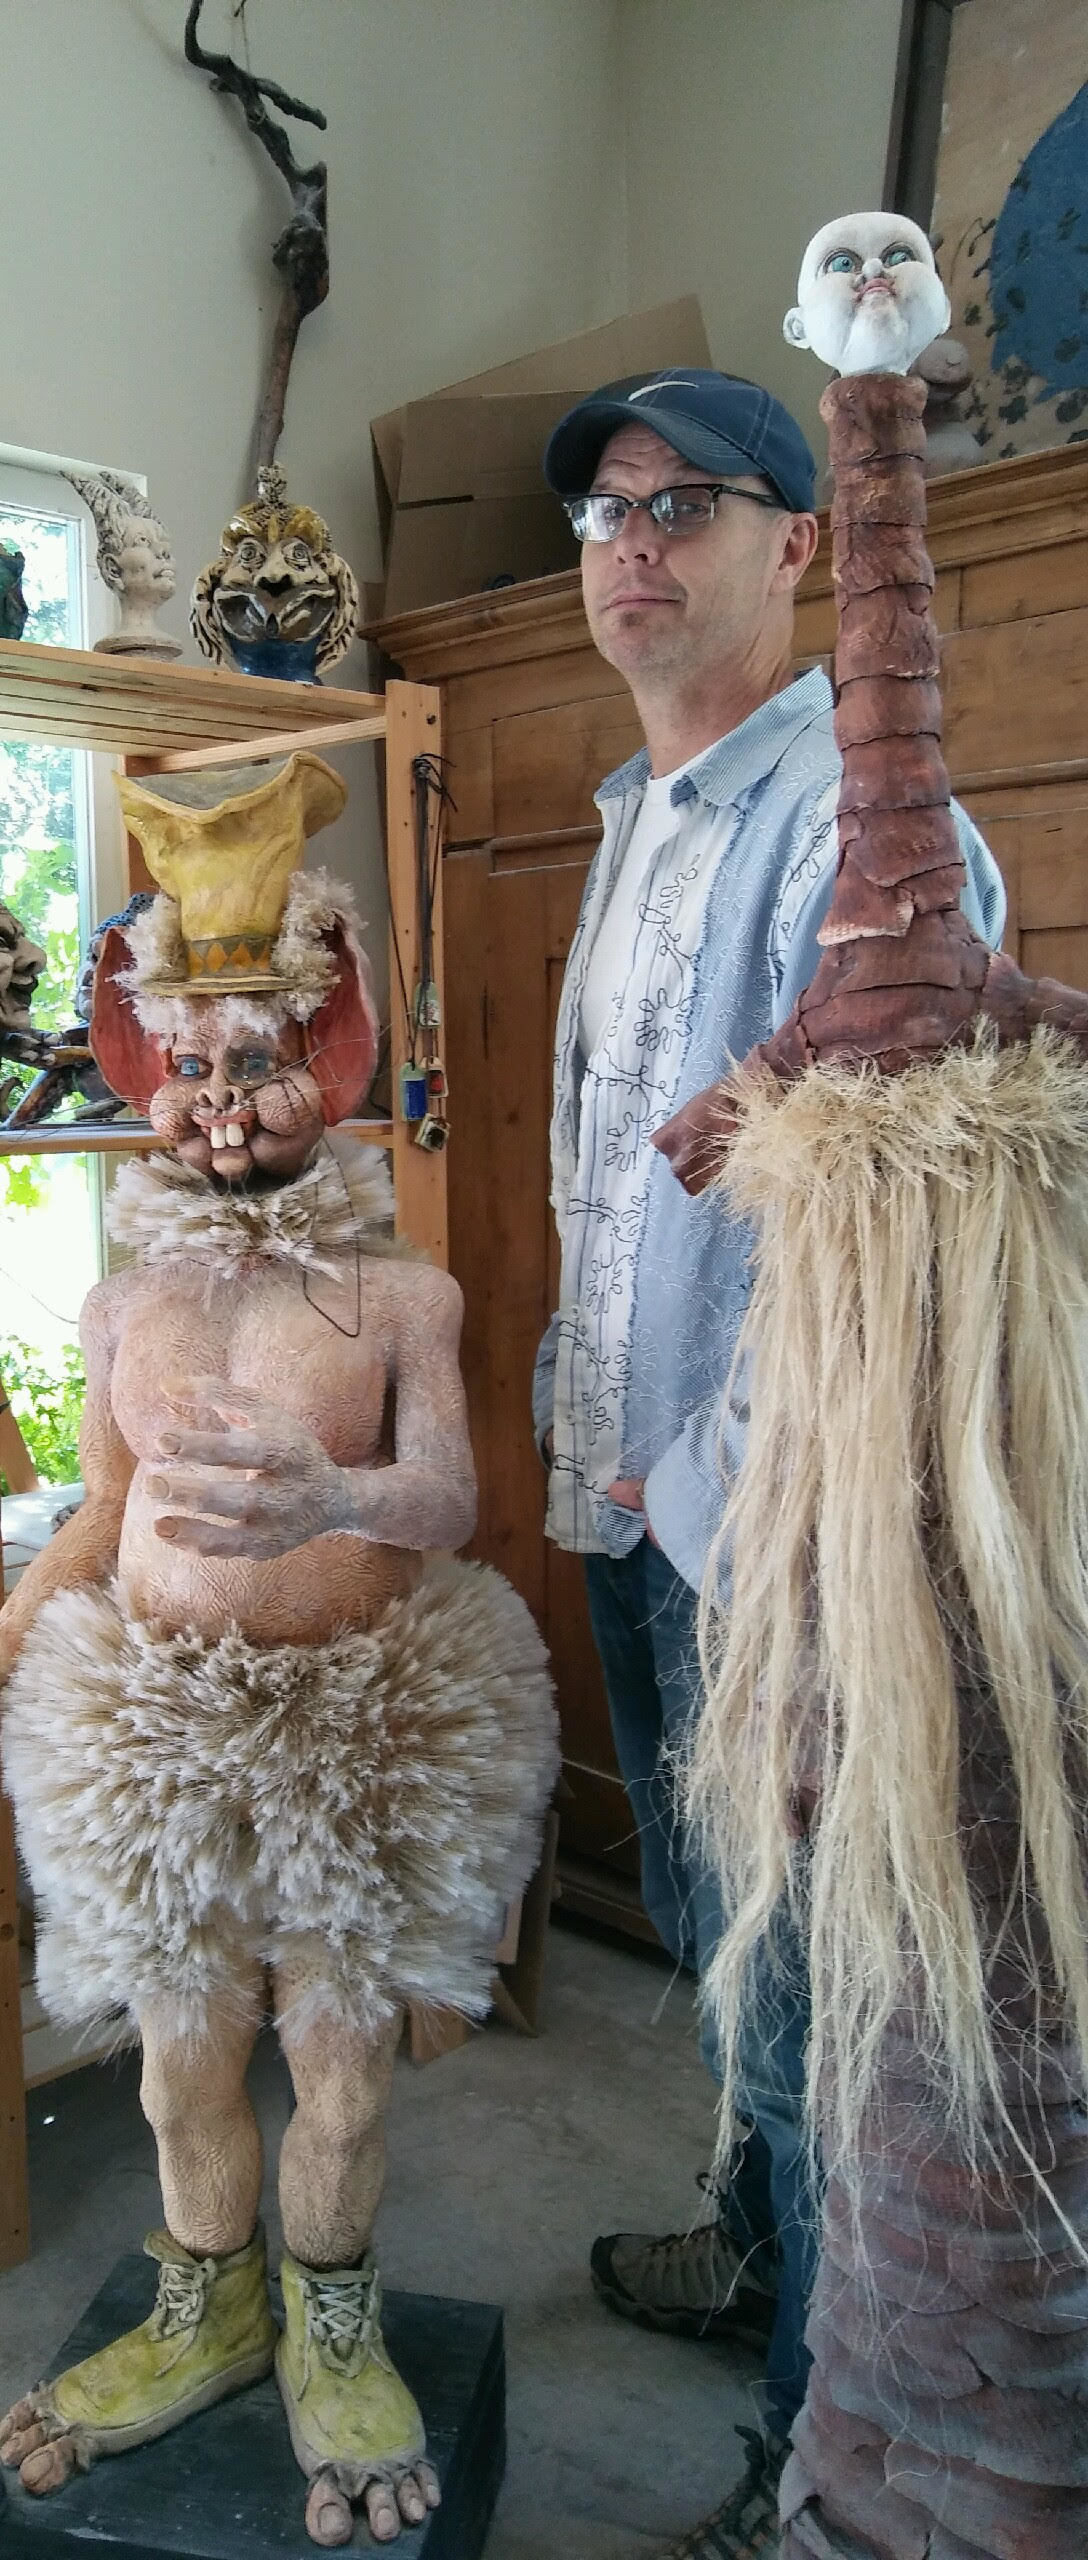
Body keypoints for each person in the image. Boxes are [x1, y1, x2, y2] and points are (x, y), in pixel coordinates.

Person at [534, 367, 1004, 2560]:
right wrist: (601, 1455)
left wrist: (719, 1481)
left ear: (795, 543)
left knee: (820, 2006)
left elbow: (887, 1228)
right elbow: (614, 1182)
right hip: (637, 1500)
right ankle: (743, 2256)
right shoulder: (645, 813)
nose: (632, 546)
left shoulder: (849, 815)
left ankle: (810, 2460)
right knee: (735, 1961)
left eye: (685, 505)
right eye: (606, 515)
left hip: (779, 1530)